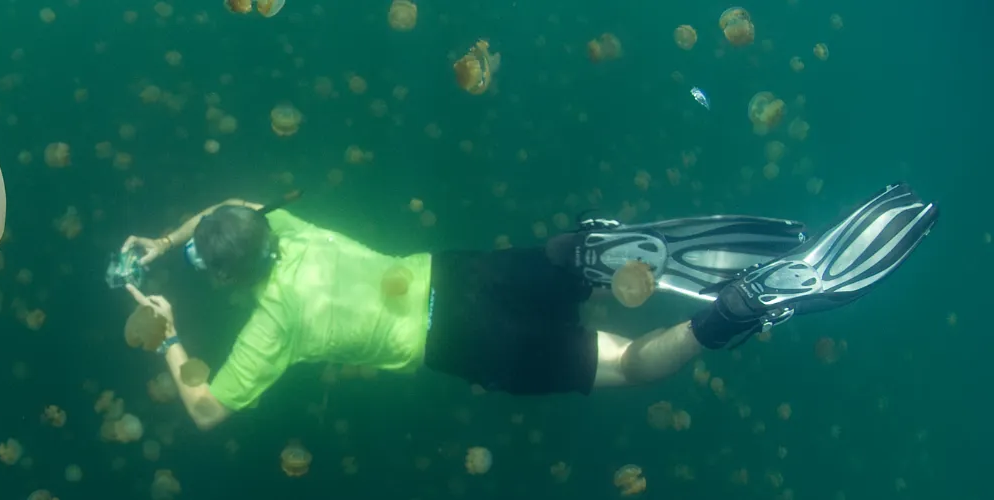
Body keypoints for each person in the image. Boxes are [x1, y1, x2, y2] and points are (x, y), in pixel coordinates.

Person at [119, 183, 938, 431]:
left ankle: (737, 309)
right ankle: (585, 253)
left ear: (228, 277)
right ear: (261, 229)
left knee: (630, 365)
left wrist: (164, 331)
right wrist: (164, 237)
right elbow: (231, 200)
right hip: (464, 274)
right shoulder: (287, 227)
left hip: (466, 346)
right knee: (564, 265)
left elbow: (206, 408)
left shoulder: (272, 327)